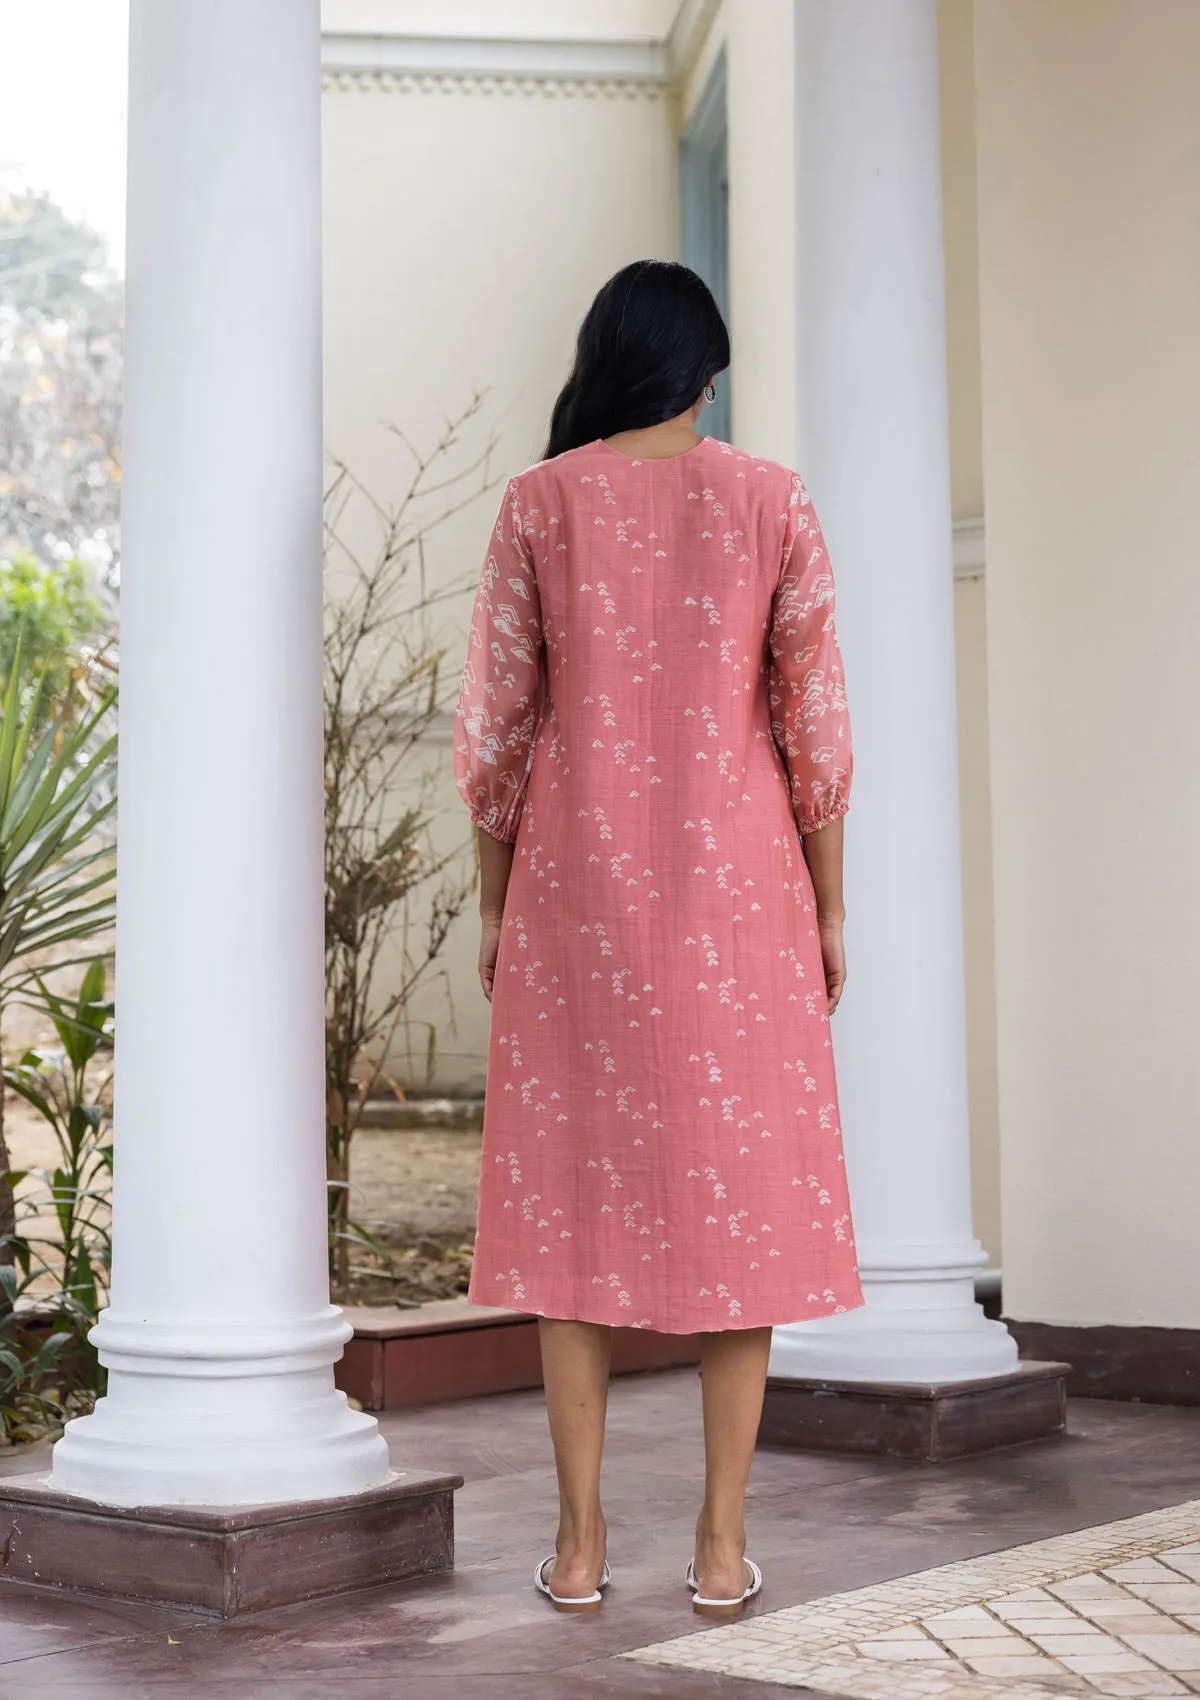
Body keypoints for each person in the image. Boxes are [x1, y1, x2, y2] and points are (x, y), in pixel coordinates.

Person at [452, 259, 863, 1615]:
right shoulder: (771, 501)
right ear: (704, 370)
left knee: (572, 1219)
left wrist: (500, 902)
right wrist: (833, 901)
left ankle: (577, 1550)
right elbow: (816, 728)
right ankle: (721, 1546)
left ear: (604, 359)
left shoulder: (539, 505)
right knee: (741, 1221)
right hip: (744, 899)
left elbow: (497, 731)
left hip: (578, 898)